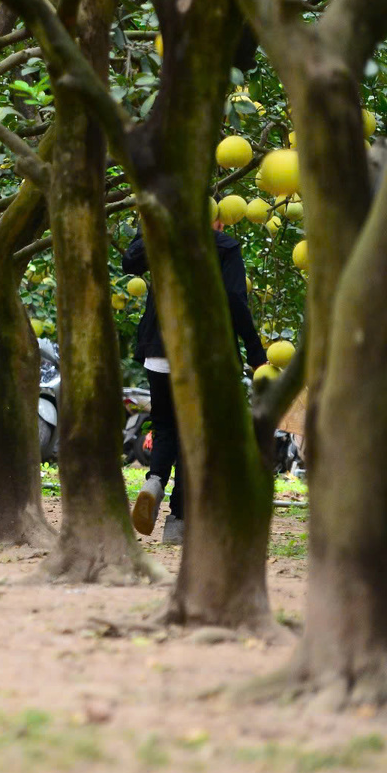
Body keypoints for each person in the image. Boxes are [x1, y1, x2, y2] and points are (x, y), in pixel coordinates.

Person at [122, 218, 266, 543]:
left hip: (160, 349)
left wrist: (153, 228)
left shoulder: (162, 234)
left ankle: (154, 481)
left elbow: (129, 262)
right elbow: (235, 301)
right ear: (215, 217)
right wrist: (256, 354)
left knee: (164, 425)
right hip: (205, 356)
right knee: (193, 435)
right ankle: (179, 522)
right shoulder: (224, 246)